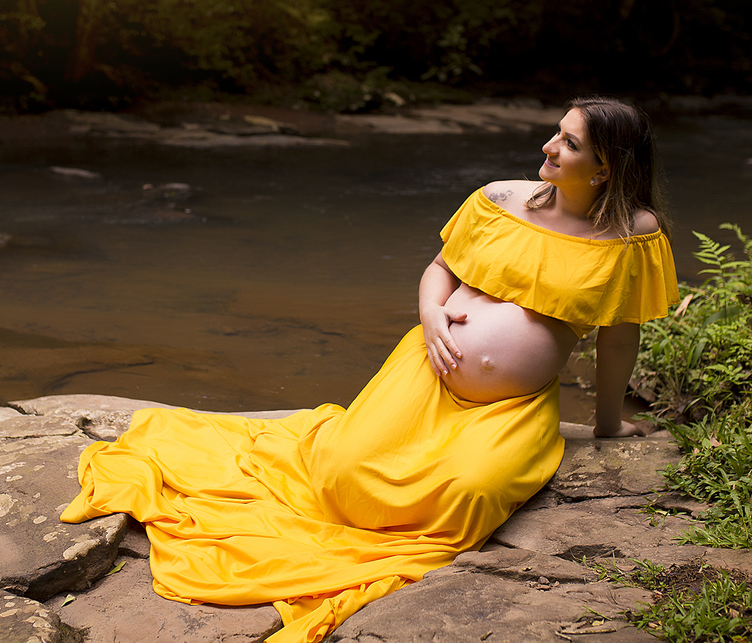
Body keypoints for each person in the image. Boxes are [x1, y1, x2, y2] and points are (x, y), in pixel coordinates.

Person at [62, 97, 679, 643]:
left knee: (471, 495)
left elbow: (619, 337)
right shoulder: (498, 199)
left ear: (607, 167)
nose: (548, 146)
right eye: (556, 132)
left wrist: (606, 427)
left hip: (508, 407)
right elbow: (439, 270)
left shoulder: (632, 235)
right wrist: (432, 316)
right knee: (342, 475)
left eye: (569, 143)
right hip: (426, 373)